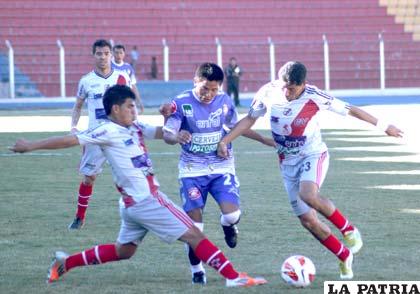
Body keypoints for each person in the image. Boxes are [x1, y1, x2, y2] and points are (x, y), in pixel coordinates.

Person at [10, 85, 267, 288]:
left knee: (124, 251)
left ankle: (65, 262)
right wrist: (31, 145)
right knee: (194, 234)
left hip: (132, 205)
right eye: (130, 106)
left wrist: (174, 132)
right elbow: (69, 140)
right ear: (115, 108)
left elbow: (161, 134)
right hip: (148, 200)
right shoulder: (106, 130)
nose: (135, 110)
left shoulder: (134, 125)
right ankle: (233, 276)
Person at [217, 61, 403, 280]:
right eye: (284, 86)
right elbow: (249, 119)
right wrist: (226, 140)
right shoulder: (269, 91)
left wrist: (384, 126)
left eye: (292, 88)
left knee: (308, 194)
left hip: (313, 154)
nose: (287, 92)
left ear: (303, 84)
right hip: (287, 163)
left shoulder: (314, 95)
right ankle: (343, 255)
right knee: (308, 221)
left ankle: (349, 230)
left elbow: (351, 109)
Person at [161, 63, 275, 284]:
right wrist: (176, 136)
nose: (209, 94)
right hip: (192, 171)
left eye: (214, 89)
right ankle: (197, 269)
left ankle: (228, 225)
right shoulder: (181, 102)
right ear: (195, 81)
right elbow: (167, 134)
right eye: (205, 88)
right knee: (195, 228)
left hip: (221, 167)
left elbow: (237, 127)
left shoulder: (224, 101)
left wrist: (263, 139)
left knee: (232, 215)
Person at [68, 39, 131, 230]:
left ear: (111, 55)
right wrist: (73, 126)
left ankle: (136, 216)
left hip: (117, 136)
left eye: (106, 53)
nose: (103, 57)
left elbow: (129, 104)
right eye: (99, 53)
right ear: (93, 55)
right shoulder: (86, 81)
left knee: (127, 176)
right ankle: (80, 217)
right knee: (89, 178)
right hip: (94, 136)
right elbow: (78, 106)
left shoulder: (122, 77)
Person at [112, 44, 144, 113]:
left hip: (126, 99)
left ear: (124, 54)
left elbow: (133, 85)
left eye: (121, 53)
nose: (118, 55)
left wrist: (139, 101)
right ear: (113, 54)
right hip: (113, 99)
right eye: (116, 53)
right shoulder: (108, 66)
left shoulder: (128, 67)